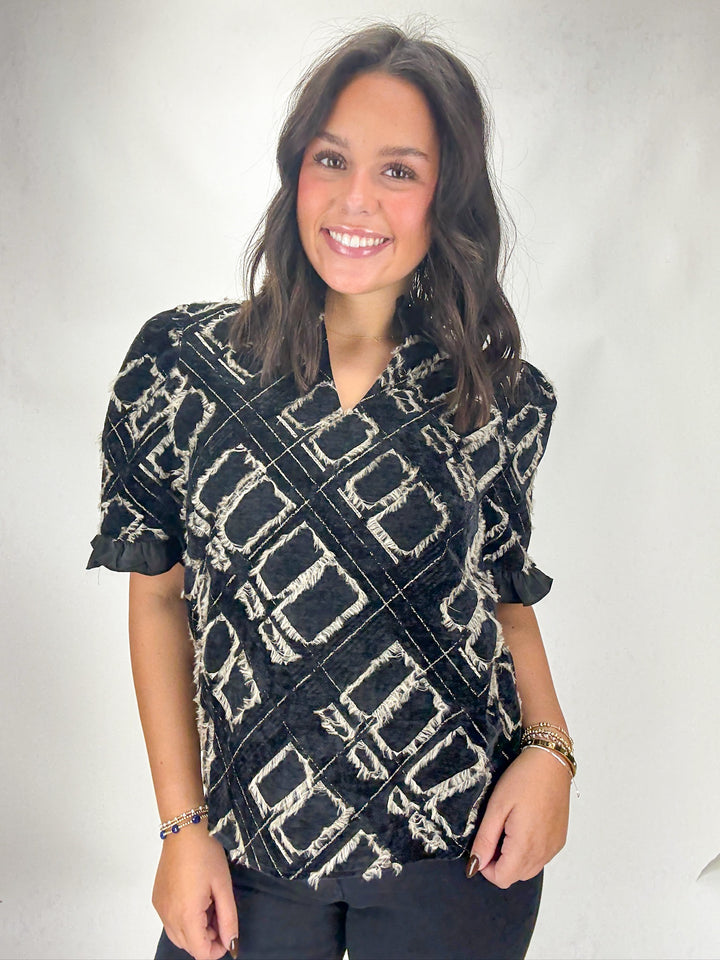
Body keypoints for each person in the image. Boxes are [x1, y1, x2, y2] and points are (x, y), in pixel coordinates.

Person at [86, 21, 573, 960]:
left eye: (399, 170)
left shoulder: (497, 393)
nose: (357, 200)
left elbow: (505, 606)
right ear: (294, 170)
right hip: (248, 856)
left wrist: (552, 755)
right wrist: (181, 830)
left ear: (447, 197)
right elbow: (157, 600)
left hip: (462, 859)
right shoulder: (182, 366)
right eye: (331, 158)